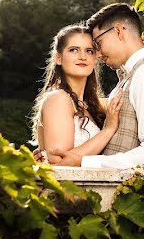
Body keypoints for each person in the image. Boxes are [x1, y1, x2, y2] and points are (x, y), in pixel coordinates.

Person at [46, 3, 144, 169]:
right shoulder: (127, 79)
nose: (98, 55)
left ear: (118, 31)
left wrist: (84, 161)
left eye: (97, 44)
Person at [31, 24, 123, 162]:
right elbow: (60, 163)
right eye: (74, 50)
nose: (82, 56)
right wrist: (108, 130)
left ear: (95, 58)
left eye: (89, 51)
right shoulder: (58, 99)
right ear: (58, 58)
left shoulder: (92, 105)